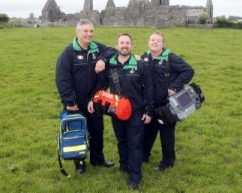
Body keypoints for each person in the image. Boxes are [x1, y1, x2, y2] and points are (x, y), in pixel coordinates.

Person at [91, 33, 154, 190]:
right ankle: (124, 166)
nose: (124, 45)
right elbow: (102, 85)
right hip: (116, 110)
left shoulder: (140, 65)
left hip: (136, 111)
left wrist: (149, 110)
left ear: (131, 46)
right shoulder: (111, 65)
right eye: (121, 43)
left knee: (134, 144)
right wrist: (93, 99)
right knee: (122, 141)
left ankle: (135, 177)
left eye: (127, 43)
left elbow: (149, 88)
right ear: (117, 45)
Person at [55, 19, 116, 174]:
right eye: (85, 31)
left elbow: (113, 51)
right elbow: (62, 79)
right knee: (78, 132)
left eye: (91, 31)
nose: (89, 34)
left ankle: (98, 160)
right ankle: (80, 163)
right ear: (78, 32)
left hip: (94, 100)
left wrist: (102, 59)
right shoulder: (69, 53)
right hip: (76, 102)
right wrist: (70, 101)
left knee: (97, 131)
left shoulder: (97, 48)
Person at [142, 32, 194, 171]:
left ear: (163, 44)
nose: (155, 42)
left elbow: (188, 71)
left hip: (166, 104)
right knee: (147, 131)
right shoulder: (145, 57)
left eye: (158, 41)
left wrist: (174, 86)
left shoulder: (171, 58)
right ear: (148, 42)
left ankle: (168, 162)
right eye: (152, 40)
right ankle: (143, 155)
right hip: (150, 103)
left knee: (166, 134)